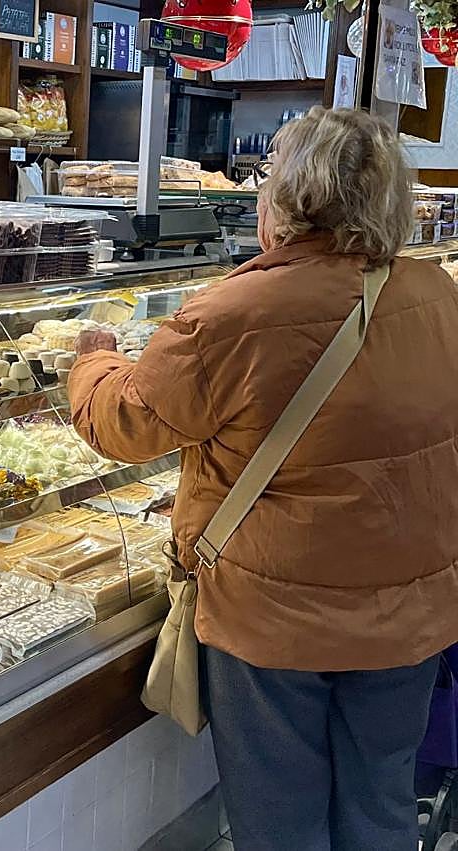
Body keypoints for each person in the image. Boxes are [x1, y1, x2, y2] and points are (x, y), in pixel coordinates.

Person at [67, 107, 458, 851]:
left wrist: (93, 360)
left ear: (288, 195)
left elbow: (126, 426)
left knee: (280, 819)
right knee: (381, 804)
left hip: (274, 619)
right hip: (409, 612)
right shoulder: (436, 293)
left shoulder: (232, 311)